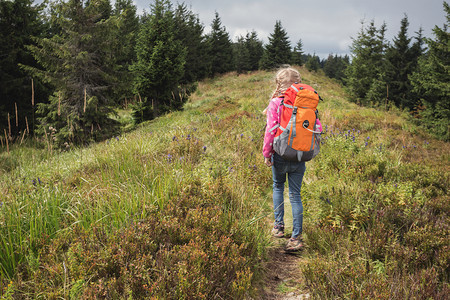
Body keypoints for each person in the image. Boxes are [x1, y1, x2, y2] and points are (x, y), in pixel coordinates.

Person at [263, 67, 306, 252]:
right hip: (300, 155)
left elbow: (270, 131)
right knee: (296, 195)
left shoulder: (275, 103)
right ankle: (296, 238)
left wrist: (267, 153)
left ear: (279, 83)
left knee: (278, 187)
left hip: (280, 154)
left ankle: (279, 227)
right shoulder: (306, 103)